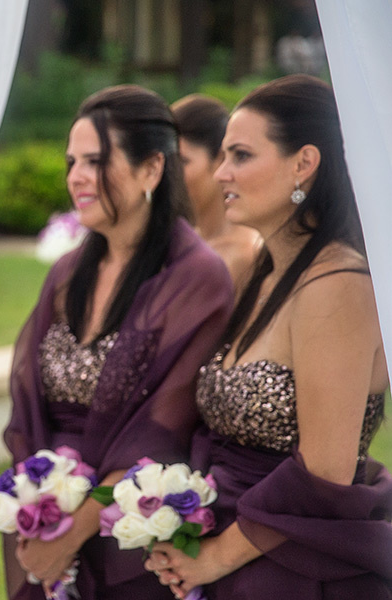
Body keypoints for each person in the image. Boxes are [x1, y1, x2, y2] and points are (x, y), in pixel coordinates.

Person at [145, 75, 392, 599]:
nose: (221, 173)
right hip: (231, 548)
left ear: (304, 163)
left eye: (240, 155)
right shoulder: (266, 270)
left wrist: (214, 559)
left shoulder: (338, 284)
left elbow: (325, 467)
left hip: (294, 569)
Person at [3, 85, 234, 599]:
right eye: (71, 162)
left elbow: (166, 427)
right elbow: (28, 405)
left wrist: (75, 528)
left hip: (131, 531)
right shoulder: (67, 273)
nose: (76, 177)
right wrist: (36, 505)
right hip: (48, 520)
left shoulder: (197, 277)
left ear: (152, 168)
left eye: (95, 161)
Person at [172, 94, 261, 289]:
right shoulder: (178, 243)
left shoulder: (242, 256)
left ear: (220, 160)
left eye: (182, 162)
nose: (171, 175)